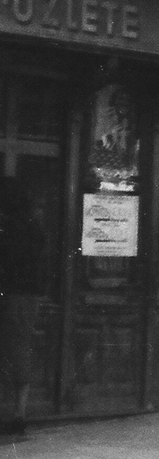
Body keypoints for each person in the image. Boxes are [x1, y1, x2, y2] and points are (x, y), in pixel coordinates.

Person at [0, 177, 44, 439]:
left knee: (12, 352)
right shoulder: (34, 225)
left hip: (13, 295)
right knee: (19, 350)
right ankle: (19, 414)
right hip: (29, 295)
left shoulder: (10, 227)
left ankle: (15, 415)